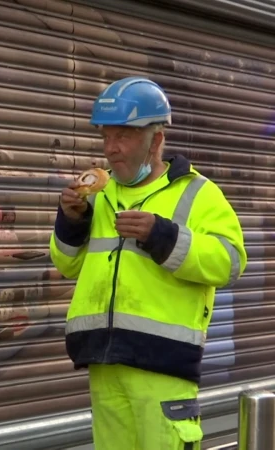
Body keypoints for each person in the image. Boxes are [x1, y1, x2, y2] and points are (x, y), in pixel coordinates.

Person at [50, 76, 246, 449]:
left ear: (156, 140)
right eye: (106, 137)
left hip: (163, 365)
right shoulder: (98, 193)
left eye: (122, 136)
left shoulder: (197, 193)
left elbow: (231, 262)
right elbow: (67, 264)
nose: (110, 149)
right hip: (103, 362)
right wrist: (71, 222)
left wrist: (165, 237)